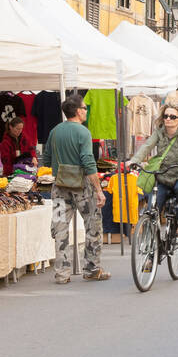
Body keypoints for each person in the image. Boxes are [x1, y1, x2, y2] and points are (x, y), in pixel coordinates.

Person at [42, 95, 109, 283]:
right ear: (78, 111)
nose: (86, 111)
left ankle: (62, 273)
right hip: (82, 186)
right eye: (85, 108)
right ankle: (92, 268)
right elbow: (88, 162)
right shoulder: (83, 132)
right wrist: (98, 190)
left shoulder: (55, 131)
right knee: (93, 225)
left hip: (59, 186)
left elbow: (46, 159)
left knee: (60, 227)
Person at [132, 103, 178, 238]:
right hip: (163, 177)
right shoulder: (159, 133)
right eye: (166, 116)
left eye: (172, 116)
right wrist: (134, 160)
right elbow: (147, 146)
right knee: (152, 208)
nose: (168, 119)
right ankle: (151, 250)